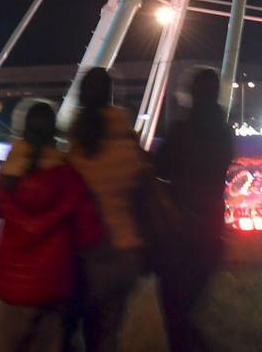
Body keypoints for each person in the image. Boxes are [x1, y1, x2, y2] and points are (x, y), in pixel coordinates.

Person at [0, 100, 104, 352]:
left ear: (25, 131)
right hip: (53, 288)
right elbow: (90, 234)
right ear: (54, 134)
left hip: (11, 290)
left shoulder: (10, 177)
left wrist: (7, 170)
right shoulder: (70, 177)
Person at [151, 68, 235, 352]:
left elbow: (159, 168)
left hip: (179, 229)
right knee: (186, 307)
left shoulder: (182, 131)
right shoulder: (225, 133)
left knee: (174, 309)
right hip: (211, 228)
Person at [66, 68, 150, 352]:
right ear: (111, 95)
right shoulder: (128, 143)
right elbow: (146, 186)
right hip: (125, 252)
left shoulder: (75, 149)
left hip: (85, 252)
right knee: (108, 333)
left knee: (77, 328)